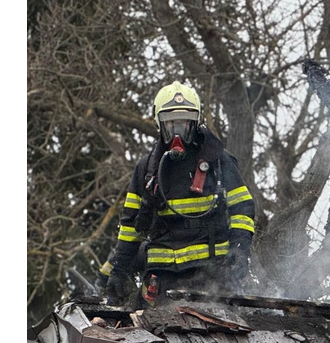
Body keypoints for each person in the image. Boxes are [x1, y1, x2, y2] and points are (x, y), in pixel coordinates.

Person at [103, 81, 256, 306]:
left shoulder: (218, 161)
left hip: (212, 274)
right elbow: (129, 228)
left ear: (195, 122)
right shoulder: (147, 170)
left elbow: (242, 208)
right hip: (163, 278)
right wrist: (119, 271)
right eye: (170, 123)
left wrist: (240, 250)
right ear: (160, 124)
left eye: (183, 122)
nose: (177, 131)